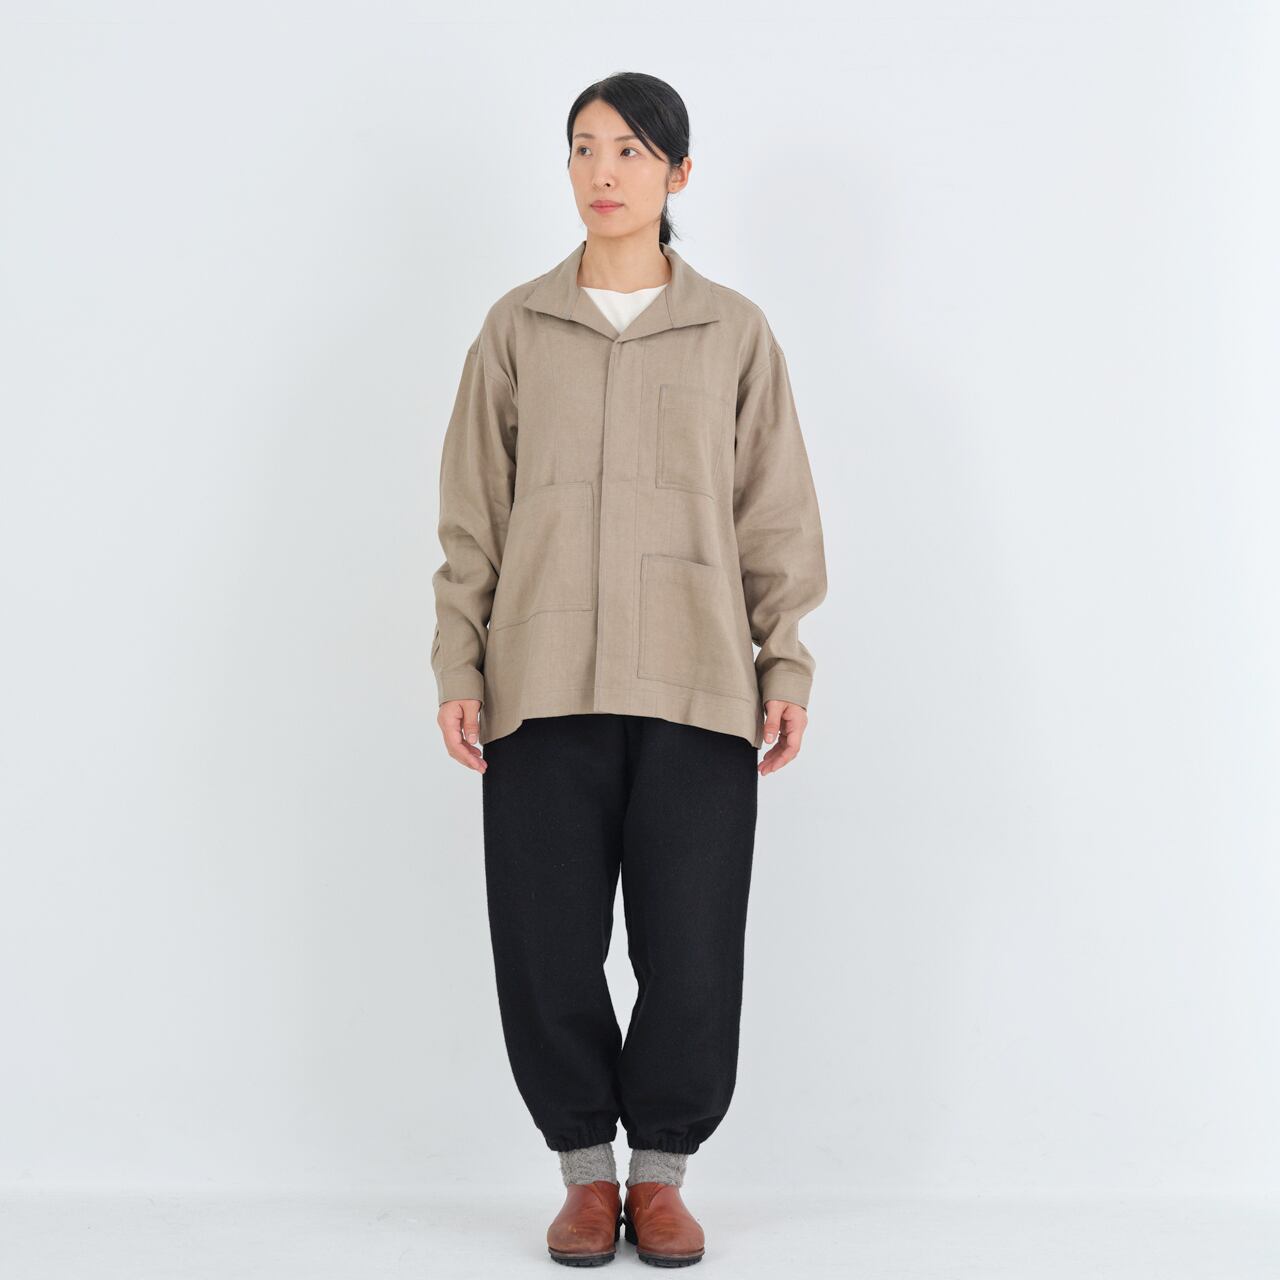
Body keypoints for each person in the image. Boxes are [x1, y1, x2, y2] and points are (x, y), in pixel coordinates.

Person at [430, 71, 828, 1267]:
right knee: (544, 940)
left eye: (630, 151)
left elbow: (774, 513)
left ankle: (659, 1174)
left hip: (696, 680)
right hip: (540, 680)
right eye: (582, 148)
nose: (602, 171)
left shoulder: (732, 332)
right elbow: (471, 514)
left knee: (689, 942)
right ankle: (580, 1173)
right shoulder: (516, 326)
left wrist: (784, 663)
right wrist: (458, 659)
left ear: (677, 173)